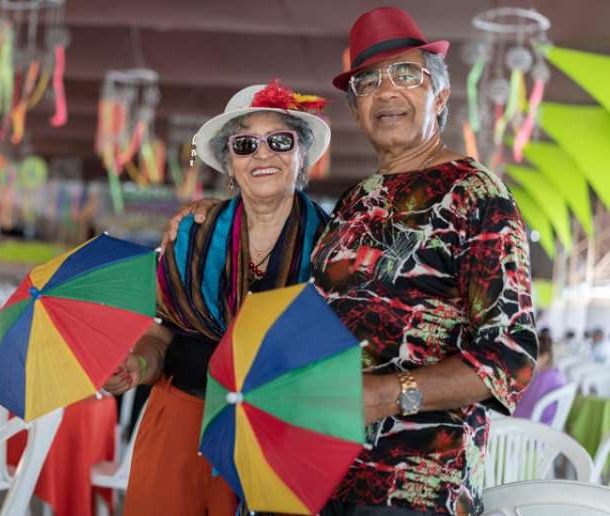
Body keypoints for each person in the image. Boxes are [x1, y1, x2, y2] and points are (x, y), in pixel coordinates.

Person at [164, 8, 538, 515]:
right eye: (367, 82)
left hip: (408, 485)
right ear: (356, 109)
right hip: (311, 469)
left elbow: (510, 359)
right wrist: (216, 211)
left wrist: (388, 394)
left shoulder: (477, 196)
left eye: (407, 75)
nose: (386, 91)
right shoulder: (355, 201)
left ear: (441, 96)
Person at [103, 80, 331, 516]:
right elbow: (159, 334)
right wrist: (138, 364)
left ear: (300, 154)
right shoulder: (192, 232)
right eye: (245, 145)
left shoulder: (331, 244)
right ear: (230, 161)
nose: (262, 154)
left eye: (279, 141)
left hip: (276, 429)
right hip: (179, 424)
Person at [513, 330, 567, 425]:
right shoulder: (555, 375)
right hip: (545, 429)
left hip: (528, 430)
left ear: (545, 357)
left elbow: (523, 411)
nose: (526, 362)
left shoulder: (545, 379)